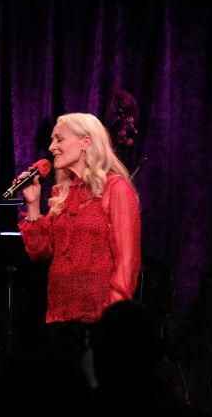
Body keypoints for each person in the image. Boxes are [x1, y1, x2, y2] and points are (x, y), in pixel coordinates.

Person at [16, 113, 141, 366]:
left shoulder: (115, 188)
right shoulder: (61, 193)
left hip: (100, 318)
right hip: (61, 317)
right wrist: (32, 205)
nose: (51, 147)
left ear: (86, 142)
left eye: (59, 139)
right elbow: (40, 251)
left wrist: (112, 320)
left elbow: (127, 261)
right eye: (52, 140)